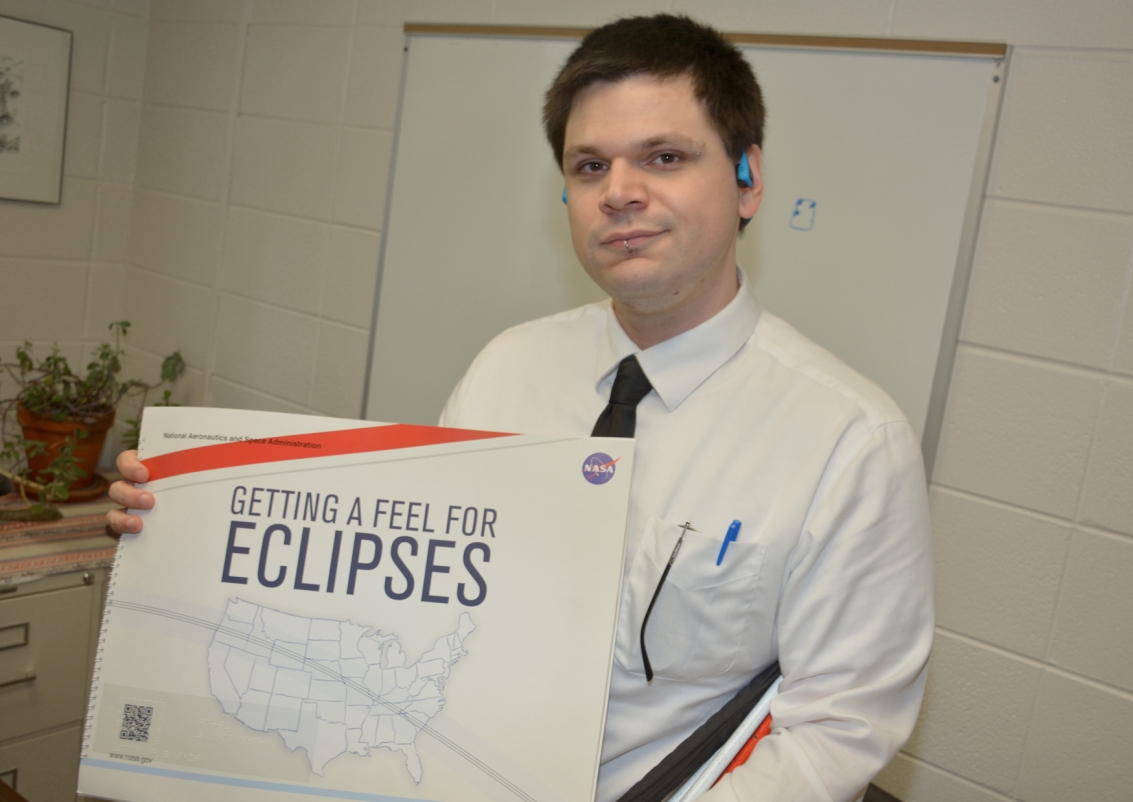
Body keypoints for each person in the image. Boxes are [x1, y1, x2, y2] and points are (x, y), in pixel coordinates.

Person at [109, 15, 933, 802]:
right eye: (589, 166)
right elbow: (399, 590)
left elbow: (838, 726)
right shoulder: (506, 371)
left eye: (665, 157)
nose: (620, 192)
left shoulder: (848, 442)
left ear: (749, 178)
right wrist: (185, 526)